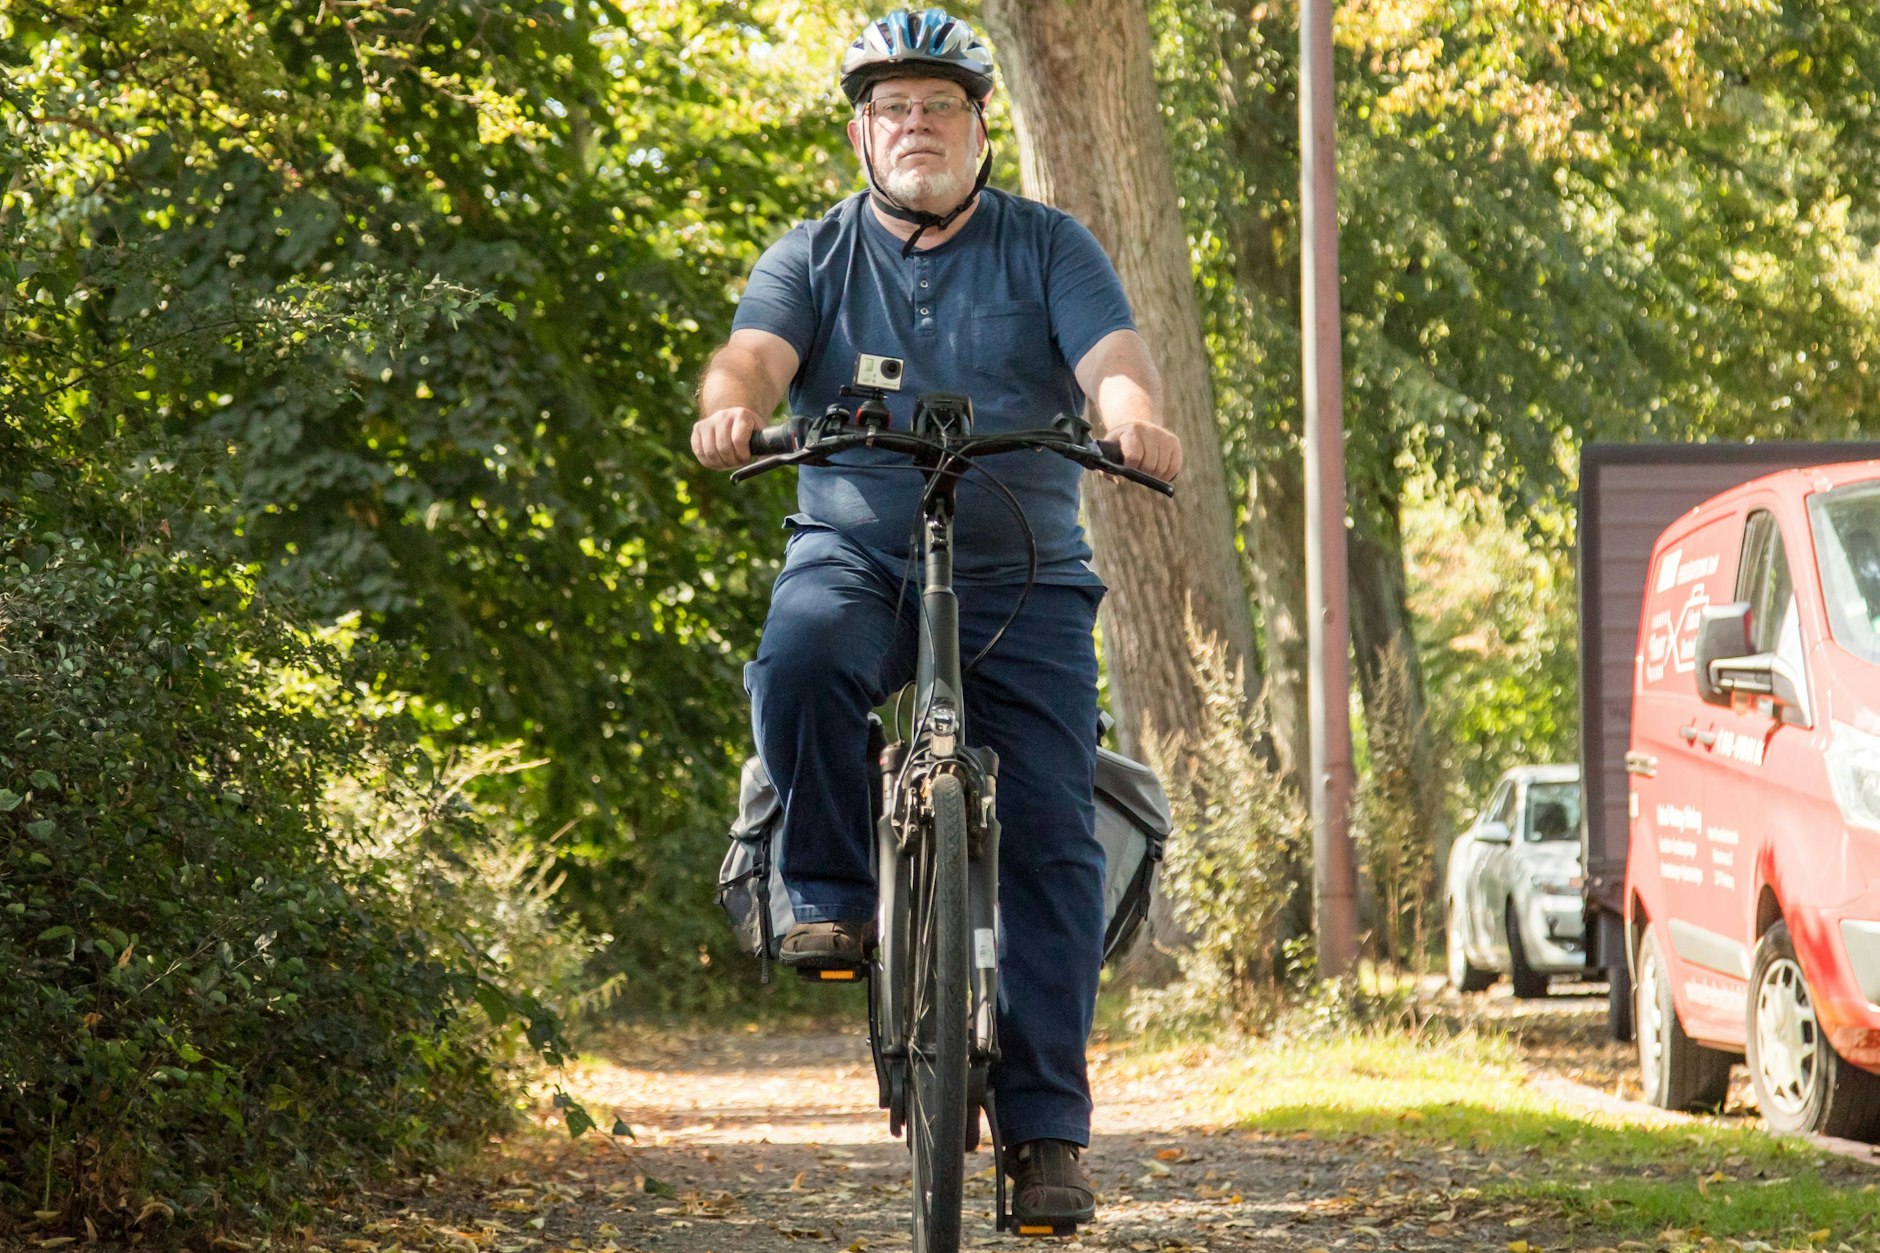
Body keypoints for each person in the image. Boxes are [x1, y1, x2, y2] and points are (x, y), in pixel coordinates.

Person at [690, 7, 1181, 1231]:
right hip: (853, 546)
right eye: (894, 108)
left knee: (1056, 835)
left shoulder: (1047, 245)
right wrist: (730, 410)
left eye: (941, 107)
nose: (918, 125)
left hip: (1022, 560)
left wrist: (1130, 413)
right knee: (798, 656)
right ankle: (829, 889)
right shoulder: (812, 253)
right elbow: (752, 357)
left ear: (980, 126)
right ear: (862, 131)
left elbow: (1113, 356)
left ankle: (1045, 1129)